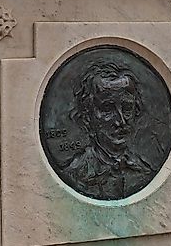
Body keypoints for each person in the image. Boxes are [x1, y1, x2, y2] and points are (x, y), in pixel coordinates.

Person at [62, 60, 154, 199]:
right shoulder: (75, 174)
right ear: (87, 117)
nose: (120, 121)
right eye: (107, 109)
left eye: (127, 108)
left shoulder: (143, 172)